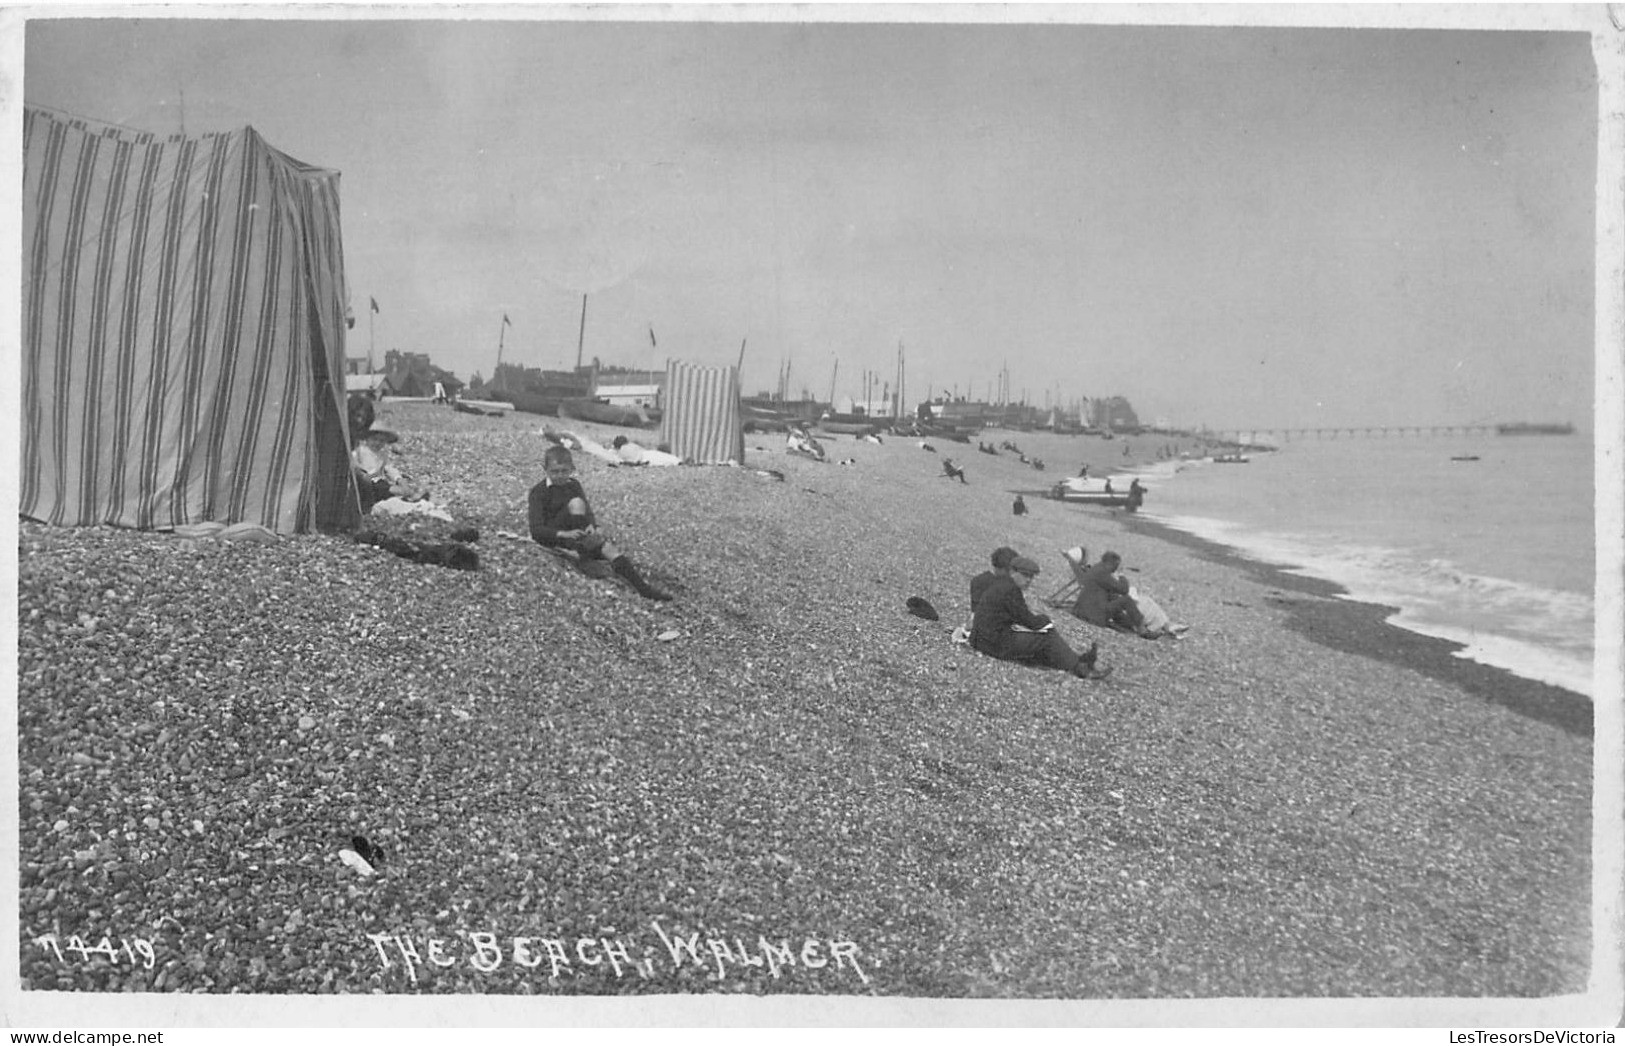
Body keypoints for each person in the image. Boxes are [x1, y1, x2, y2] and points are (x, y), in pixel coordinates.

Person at [528, 446, 672, 601]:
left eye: (564, 471)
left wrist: (592, 526)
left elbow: (587, 512)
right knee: (576, 503)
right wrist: (563, 533)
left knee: (609, 548)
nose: (560, 476)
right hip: (554, 534)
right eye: (555, 472)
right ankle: (582, 554)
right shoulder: (539, 492)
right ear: (545, 469)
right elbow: (536, 530)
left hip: (575, 532)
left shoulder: (573, 485)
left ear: (572, 468)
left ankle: (643, 588)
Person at [972, 556, 1110, 680]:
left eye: (1031, 577)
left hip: (982, 638)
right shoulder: (1010, 591)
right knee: (1047, 638)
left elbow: (1017, 616)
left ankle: (1076, 661)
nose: (1028, 580)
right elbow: (1027, 620)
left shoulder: (1002, 585)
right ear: (1013, 572)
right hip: (993, 644)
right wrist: (1045, 620)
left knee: (1040, 643)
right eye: (1025, 576)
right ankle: (1081, 668)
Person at [1071, 550, 1149, 635]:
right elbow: (1124, 590)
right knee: (1127, 600)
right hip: (1095, 616)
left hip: (1083, 610)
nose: (1115, 568)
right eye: (1115, 565)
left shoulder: (1097, 568)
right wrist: (1121, 574)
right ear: (1110, 563)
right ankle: (1142, 629)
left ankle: (1132, 624)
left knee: (1115, 598)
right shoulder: (1102, 573)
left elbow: (1109, 587)